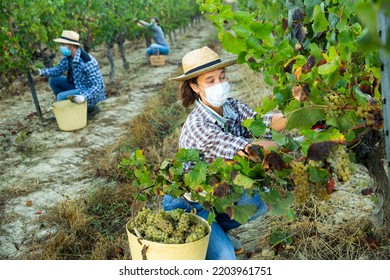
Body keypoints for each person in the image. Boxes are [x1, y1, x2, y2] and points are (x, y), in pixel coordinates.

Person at [165, 46, 286, 260]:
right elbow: (247, 151)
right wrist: (295, 145)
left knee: (263, 197)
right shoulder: (198, 125)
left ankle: (220, 230)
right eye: (210, 81)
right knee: (226, 261)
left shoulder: (231, 106)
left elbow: (260, 123)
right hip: (189, 204)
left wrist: (301, 115)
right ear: (194, 86)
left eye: (222, 77)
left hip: (215, 195)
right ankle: (204, 239)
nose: (219, 84)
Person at [33, 30, 106, 120]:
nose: (61, 47)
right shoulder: (69, 57)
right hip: (78, 86)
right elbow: (58, 70)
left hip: (89, 94)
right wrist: (41, 71)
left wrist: (84, 97)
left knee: (61, 96)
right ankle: (71, 107)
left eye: (62, 44)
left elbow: (98, 86)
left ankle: (89, 109)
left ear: (70, 45)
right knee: (54, 80)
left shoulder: (88, 62)